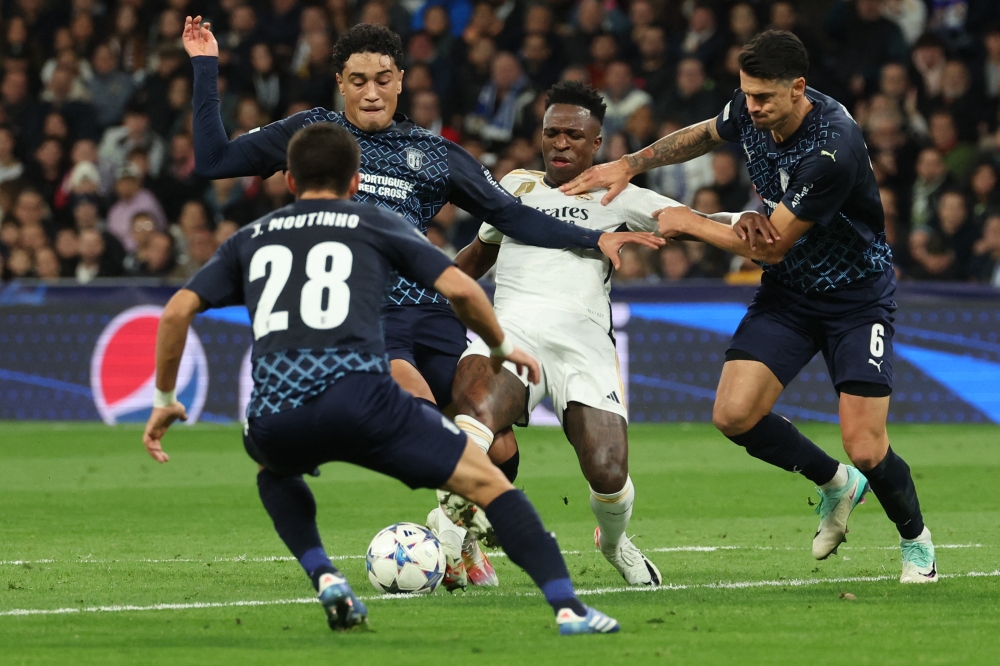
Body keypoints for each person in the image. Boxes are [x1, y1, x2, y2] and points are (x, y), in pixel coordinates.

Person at [183, 16, 659, 586]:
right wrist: (206, 66)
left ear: (401, 80)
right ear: (340, 81)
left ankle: (469, 533)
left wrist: (592, 237)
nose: (371, 92)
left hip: (434, 316)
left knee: (496, 441)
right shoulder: (314, 134)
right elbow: (213, 162)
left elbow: (509, 215)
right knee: (421, 416)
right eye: (358, 80)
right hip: (368, 318)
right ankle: (455, 530)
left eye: (382, 78)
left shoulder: (434, 155)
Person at [140, 122, 620, 636]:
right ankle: (568, 608)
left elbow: (175, 314)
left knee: (273, 471)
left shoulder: (250, 238)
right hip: (363, 399)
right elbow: (460, 287)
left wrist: (165, 398)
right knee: (490, 484)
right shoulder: (373, 224)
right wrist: (502, 345)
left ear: (289, 183)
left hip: (277, 413)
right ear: (353, 182)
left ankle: (325, 576)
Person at [562, 30, 937, 584]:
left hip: (856, 299)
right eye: (746, 94)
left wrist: (688, 221)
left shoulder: (831, 148)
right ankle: (835, 484)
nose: (750, 107)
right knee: (733, 415)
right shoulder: (749, 108)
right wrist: (631, 164)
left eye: (763, 97)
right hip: (789, 292)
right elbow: (704, 134)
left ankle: (917, 544)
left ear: (798, 89)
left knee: (865, 444)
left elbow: (771, 243)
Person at [448, 82, 733, 586]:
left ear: (596, 143)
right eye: (551, 132)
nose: (560, 143)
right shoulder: (515, 186)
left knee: (607, 471)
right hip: (512, 328)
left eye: (573, 135)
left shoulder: (620, 193)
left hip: (583, 345)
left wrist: (746, 227)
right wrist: (426, 291)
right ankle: (453, 540)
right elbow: (477, 254)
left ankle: (615, 542)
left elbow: (682, 220)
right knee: (476, 416)